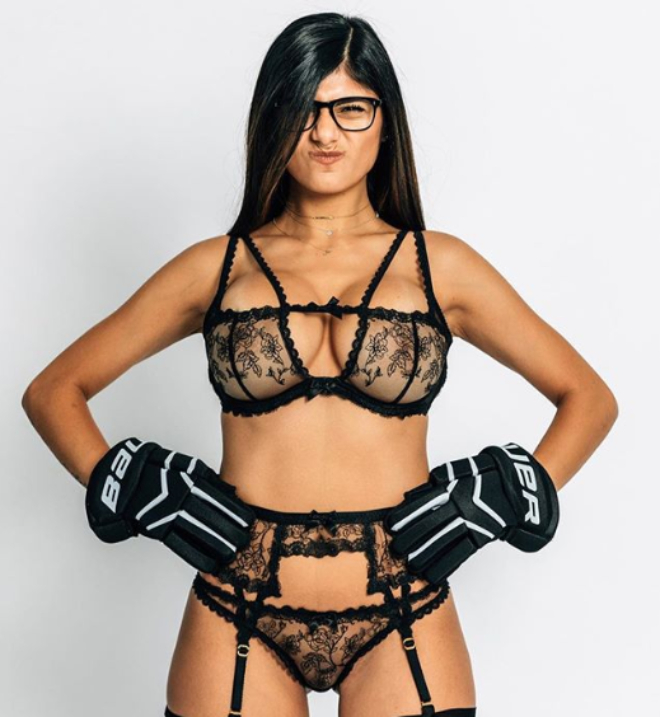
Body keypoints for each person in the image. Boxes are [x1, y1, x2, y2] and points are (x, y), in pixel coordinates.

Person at [21, 12, 619, 717]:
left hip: (405, 605)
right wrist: (141, 488)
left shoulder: (441, 266)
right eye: (303, 107)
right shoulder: (217, 268)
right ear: (272, 119)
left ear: (385, 120)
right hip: (236, 605)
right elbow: (54, 390)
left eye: (350, 108)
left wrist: (500, 496)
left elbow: (588, 396)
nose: (325, 132)